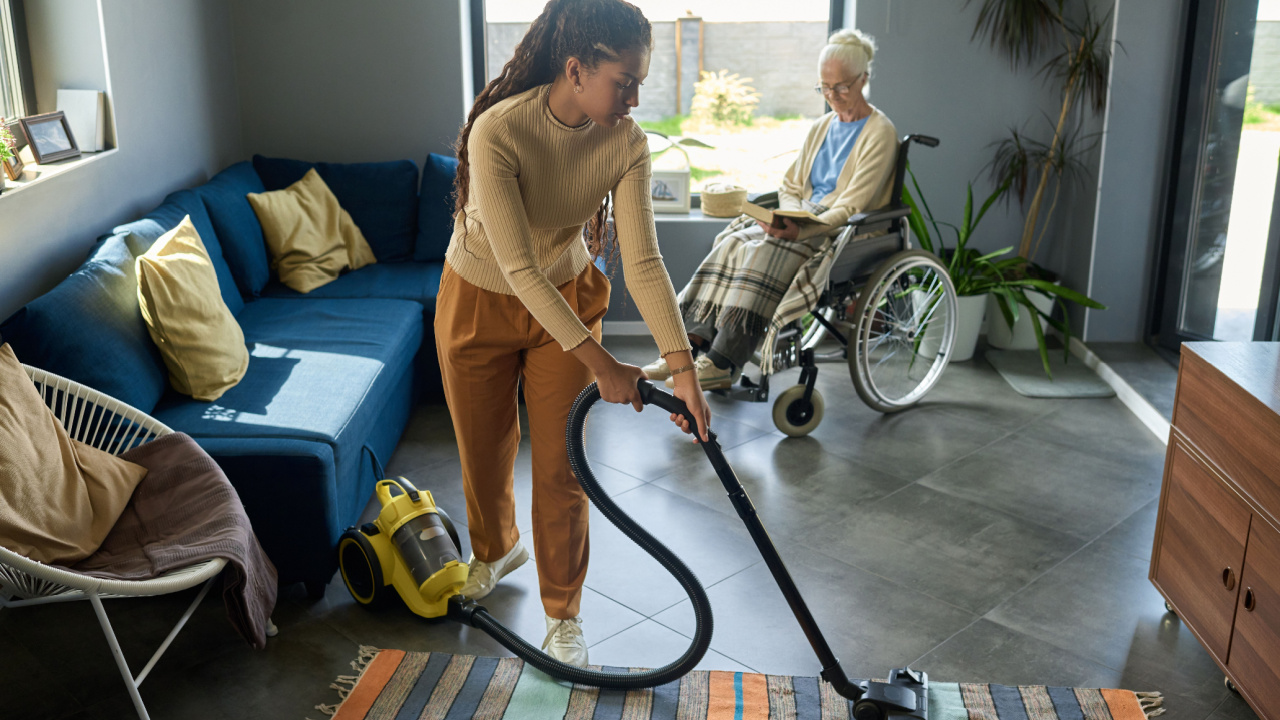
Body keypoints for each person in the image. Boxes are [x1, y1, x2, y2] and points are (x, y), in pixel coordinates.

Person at [437, 0, 712, 668]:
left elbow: (642, 261)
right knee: (484, 449)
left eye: (641, 82)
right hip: (478, 298)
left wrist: (683, 372)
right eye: (625, 82)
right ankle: (495, 550)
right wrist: (604, 365)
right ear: (576, 69)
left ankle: (564, 613)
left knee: (561, 469)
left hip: (565, 295)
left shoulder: (626, 143)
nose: (636, 99)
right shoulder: (499, 131)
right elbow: (514, 266)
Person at [643, 28, 899, 390]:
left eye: (841, 87)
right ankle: (684, 351)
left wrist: (805, 227)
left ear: (864, 79)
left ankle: (722, 360)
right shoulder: (822, 126)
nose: (832, 96)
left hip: (836, 228)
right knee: (732, 242)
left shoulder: (880, 133)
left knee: (767, 249)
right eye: (824, 87)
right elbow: (791, 185)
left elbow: (851, 204)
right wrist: (789, 215)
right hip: (803, 217)